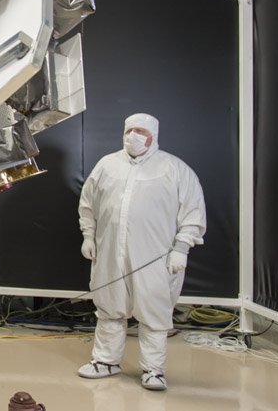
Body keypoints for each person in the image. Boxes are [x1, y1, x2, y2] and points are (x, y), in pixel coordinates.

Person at [77, 113, 206, 391]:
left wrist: (181, 248)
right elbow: (88, 203)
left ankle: (153, 370)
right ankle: (105, 361)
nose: (134, 136)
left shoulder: (174, 169)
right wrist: (89, 235)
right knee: (110, 307)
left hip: (155, 258)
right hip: (110, 254)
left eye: (141, 131)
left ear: (153, 136)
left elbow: (193, 211)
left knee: (154, 312)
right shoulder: (107, 165)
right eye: (130, 130)